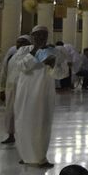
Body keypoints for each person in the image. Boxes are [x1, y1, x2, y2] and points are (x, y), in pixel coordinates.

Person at [11, 25, 57, 167]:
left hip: (44, 95)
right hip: (26, 95)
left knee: (42, 125)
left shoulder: (51, 51)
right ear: (32, 36)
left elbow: (61, 73)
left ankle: (40, 158)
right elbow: (21, 67)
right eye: (37, 35)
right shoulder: (24, 50)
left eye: (44, 35)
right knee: (24, 123)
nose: (41, 38)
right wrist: (36, 51)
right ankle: (25, 156)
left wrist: (52, 65)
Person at [0, 34, 31, 146]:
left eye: (23, 42)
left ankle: (25, 136)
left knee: (24, 113)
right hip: (11, 89)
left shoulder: (31, 58)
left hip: (25, 90)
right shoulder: (10, 57)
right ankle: (11, 135)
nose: (20, 44)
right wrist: (1, 89)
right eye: (18, 42)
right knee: (10, 112)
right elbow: (4, 73)